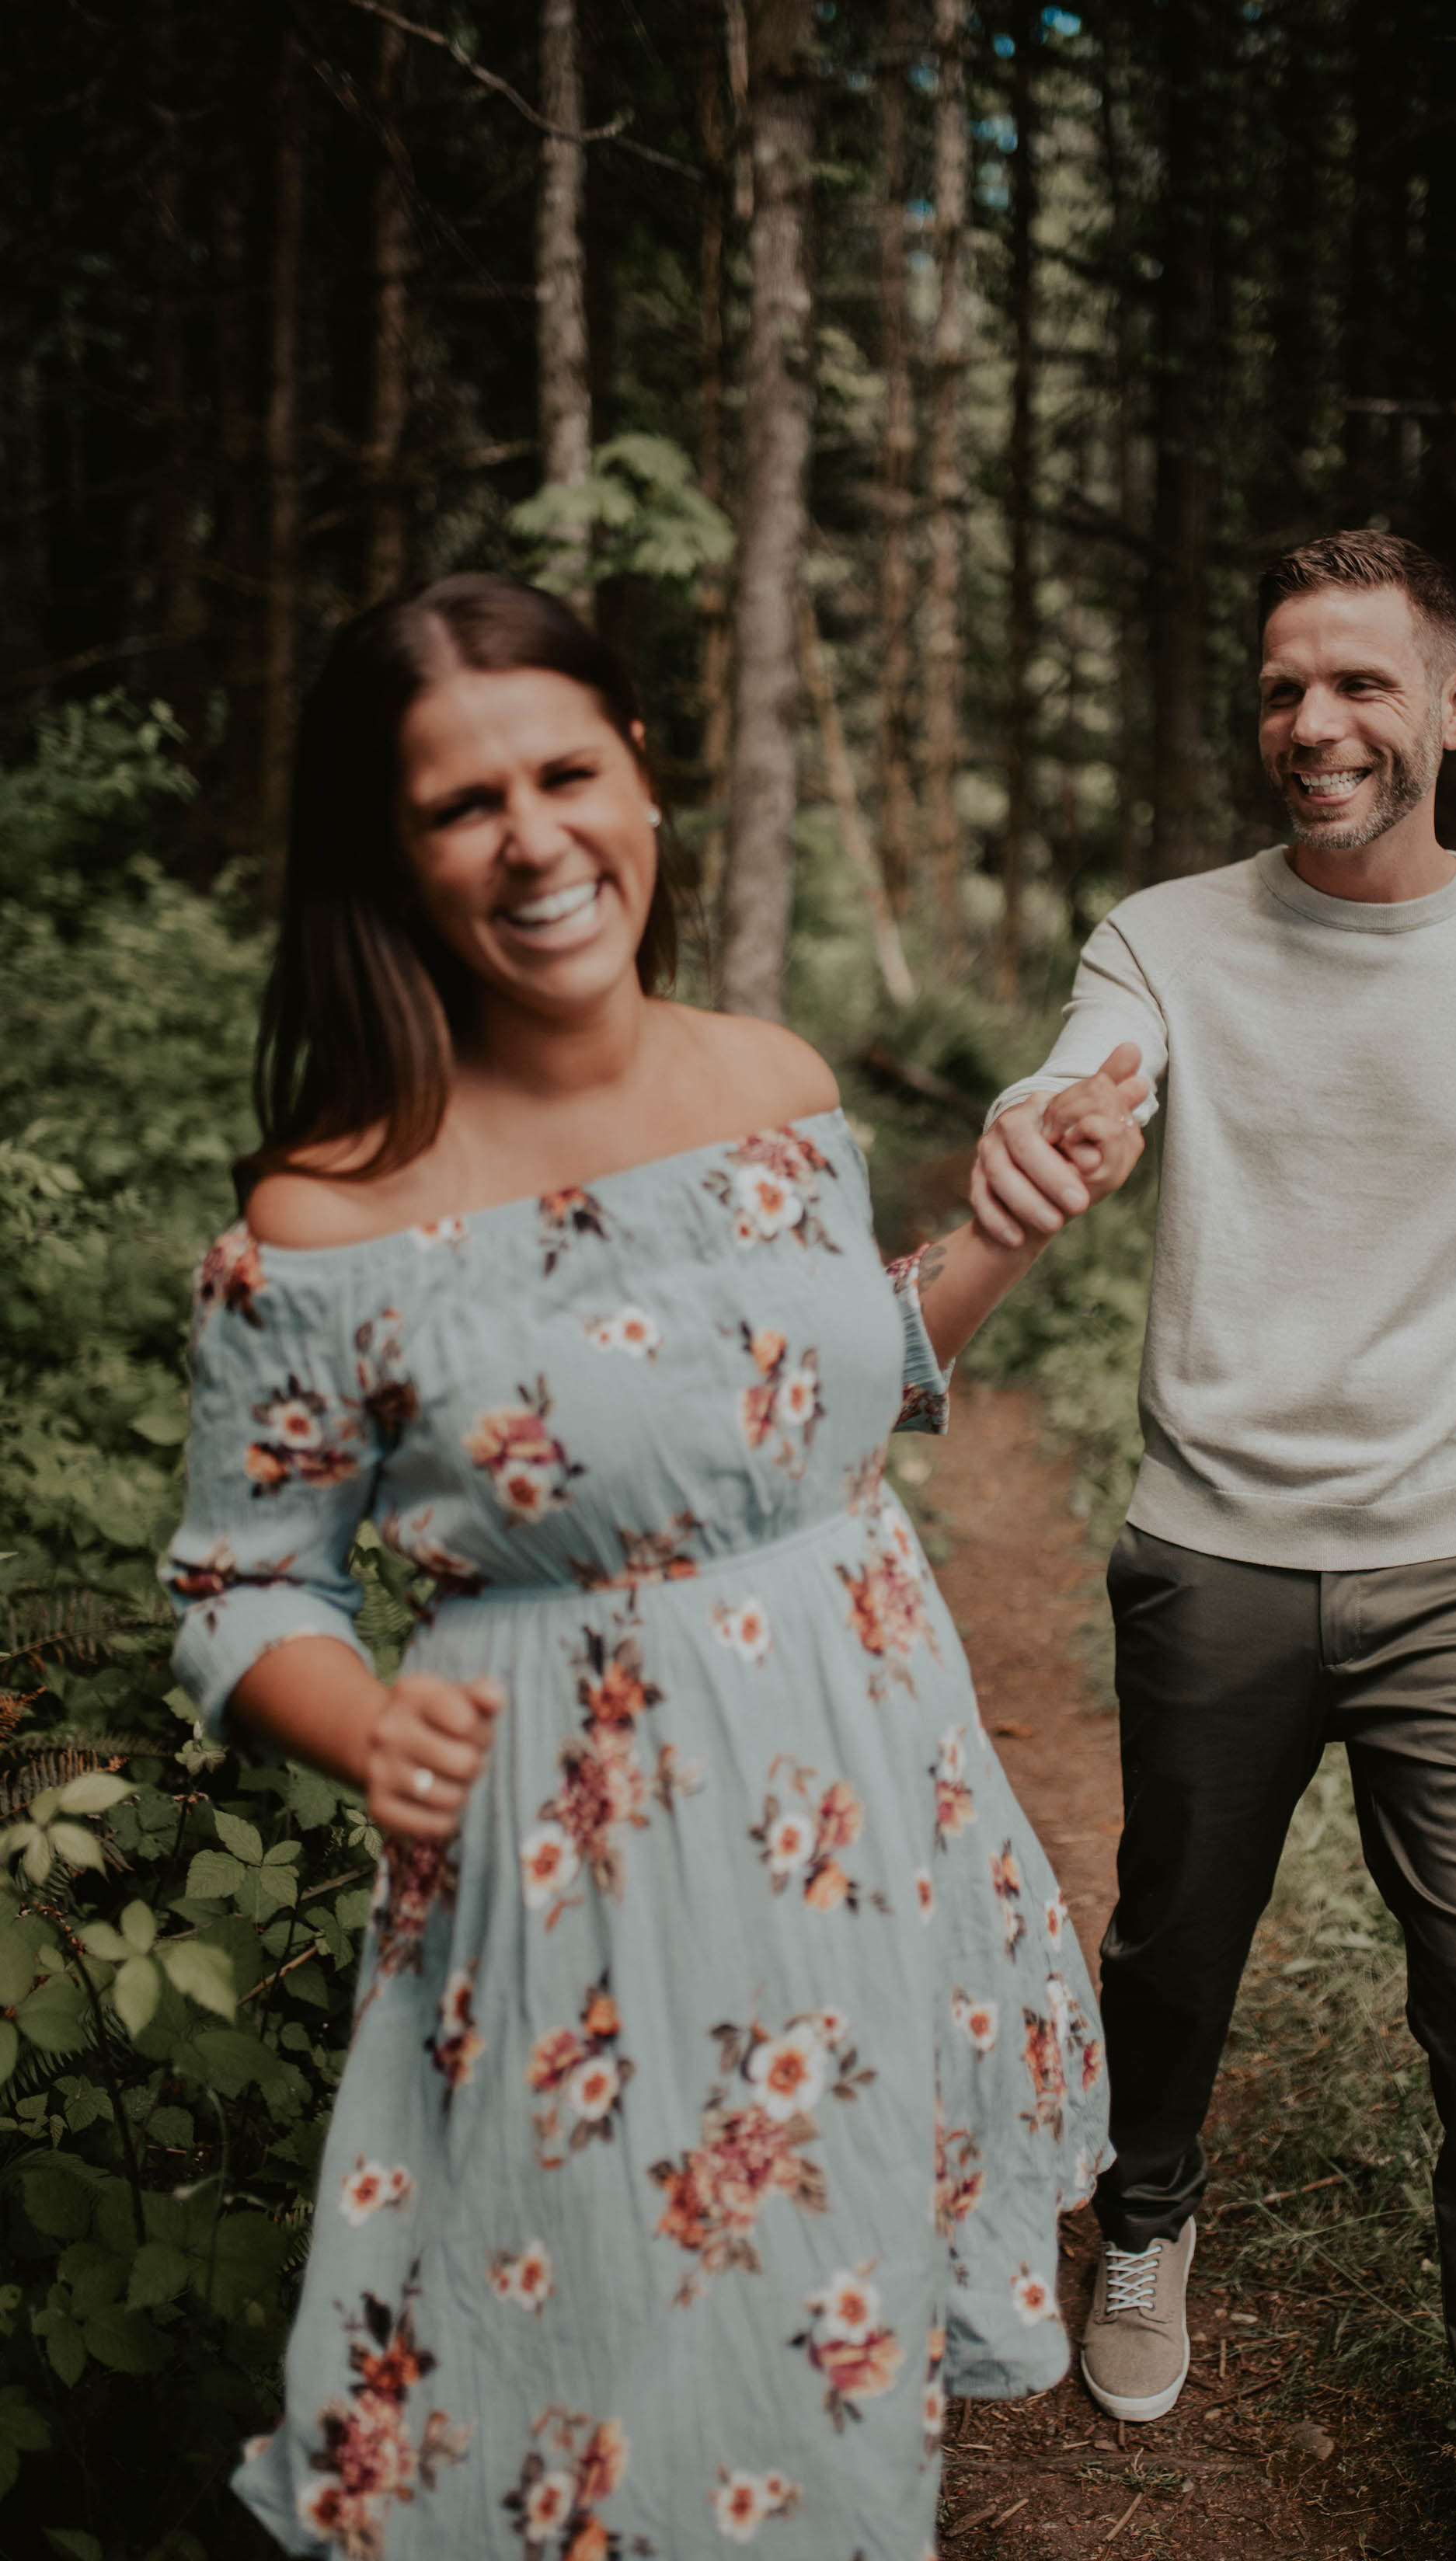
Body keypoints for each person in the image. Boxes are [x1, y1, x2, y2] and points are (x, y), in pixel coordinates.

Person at [162, 573, 1142, 2559]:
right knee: (584, 2369)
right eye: (460, 803)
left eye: (564, 771)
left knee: (828, 2341)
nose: (529, 836)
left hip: (864, 1814)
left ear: (644, 789)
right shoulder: (329, 1215)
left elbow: (824, 1397)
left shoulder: (772, 1088)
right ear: (395, 855)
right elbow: (239, 1582)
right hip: (573, 1866)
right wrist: (358, 1718)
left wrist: (1009, 1229)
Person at [970, 531, 1456, 2561]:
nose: (1314, 723)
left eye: (1362, 685)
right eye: (1287, 686)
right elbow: (1081, 1084)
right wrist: (1043, 1131)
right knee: (1176, 1944)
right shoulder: (1170, 938)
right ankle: (1155, 2209)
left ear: (1455, 706)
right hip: (1210, 1552)